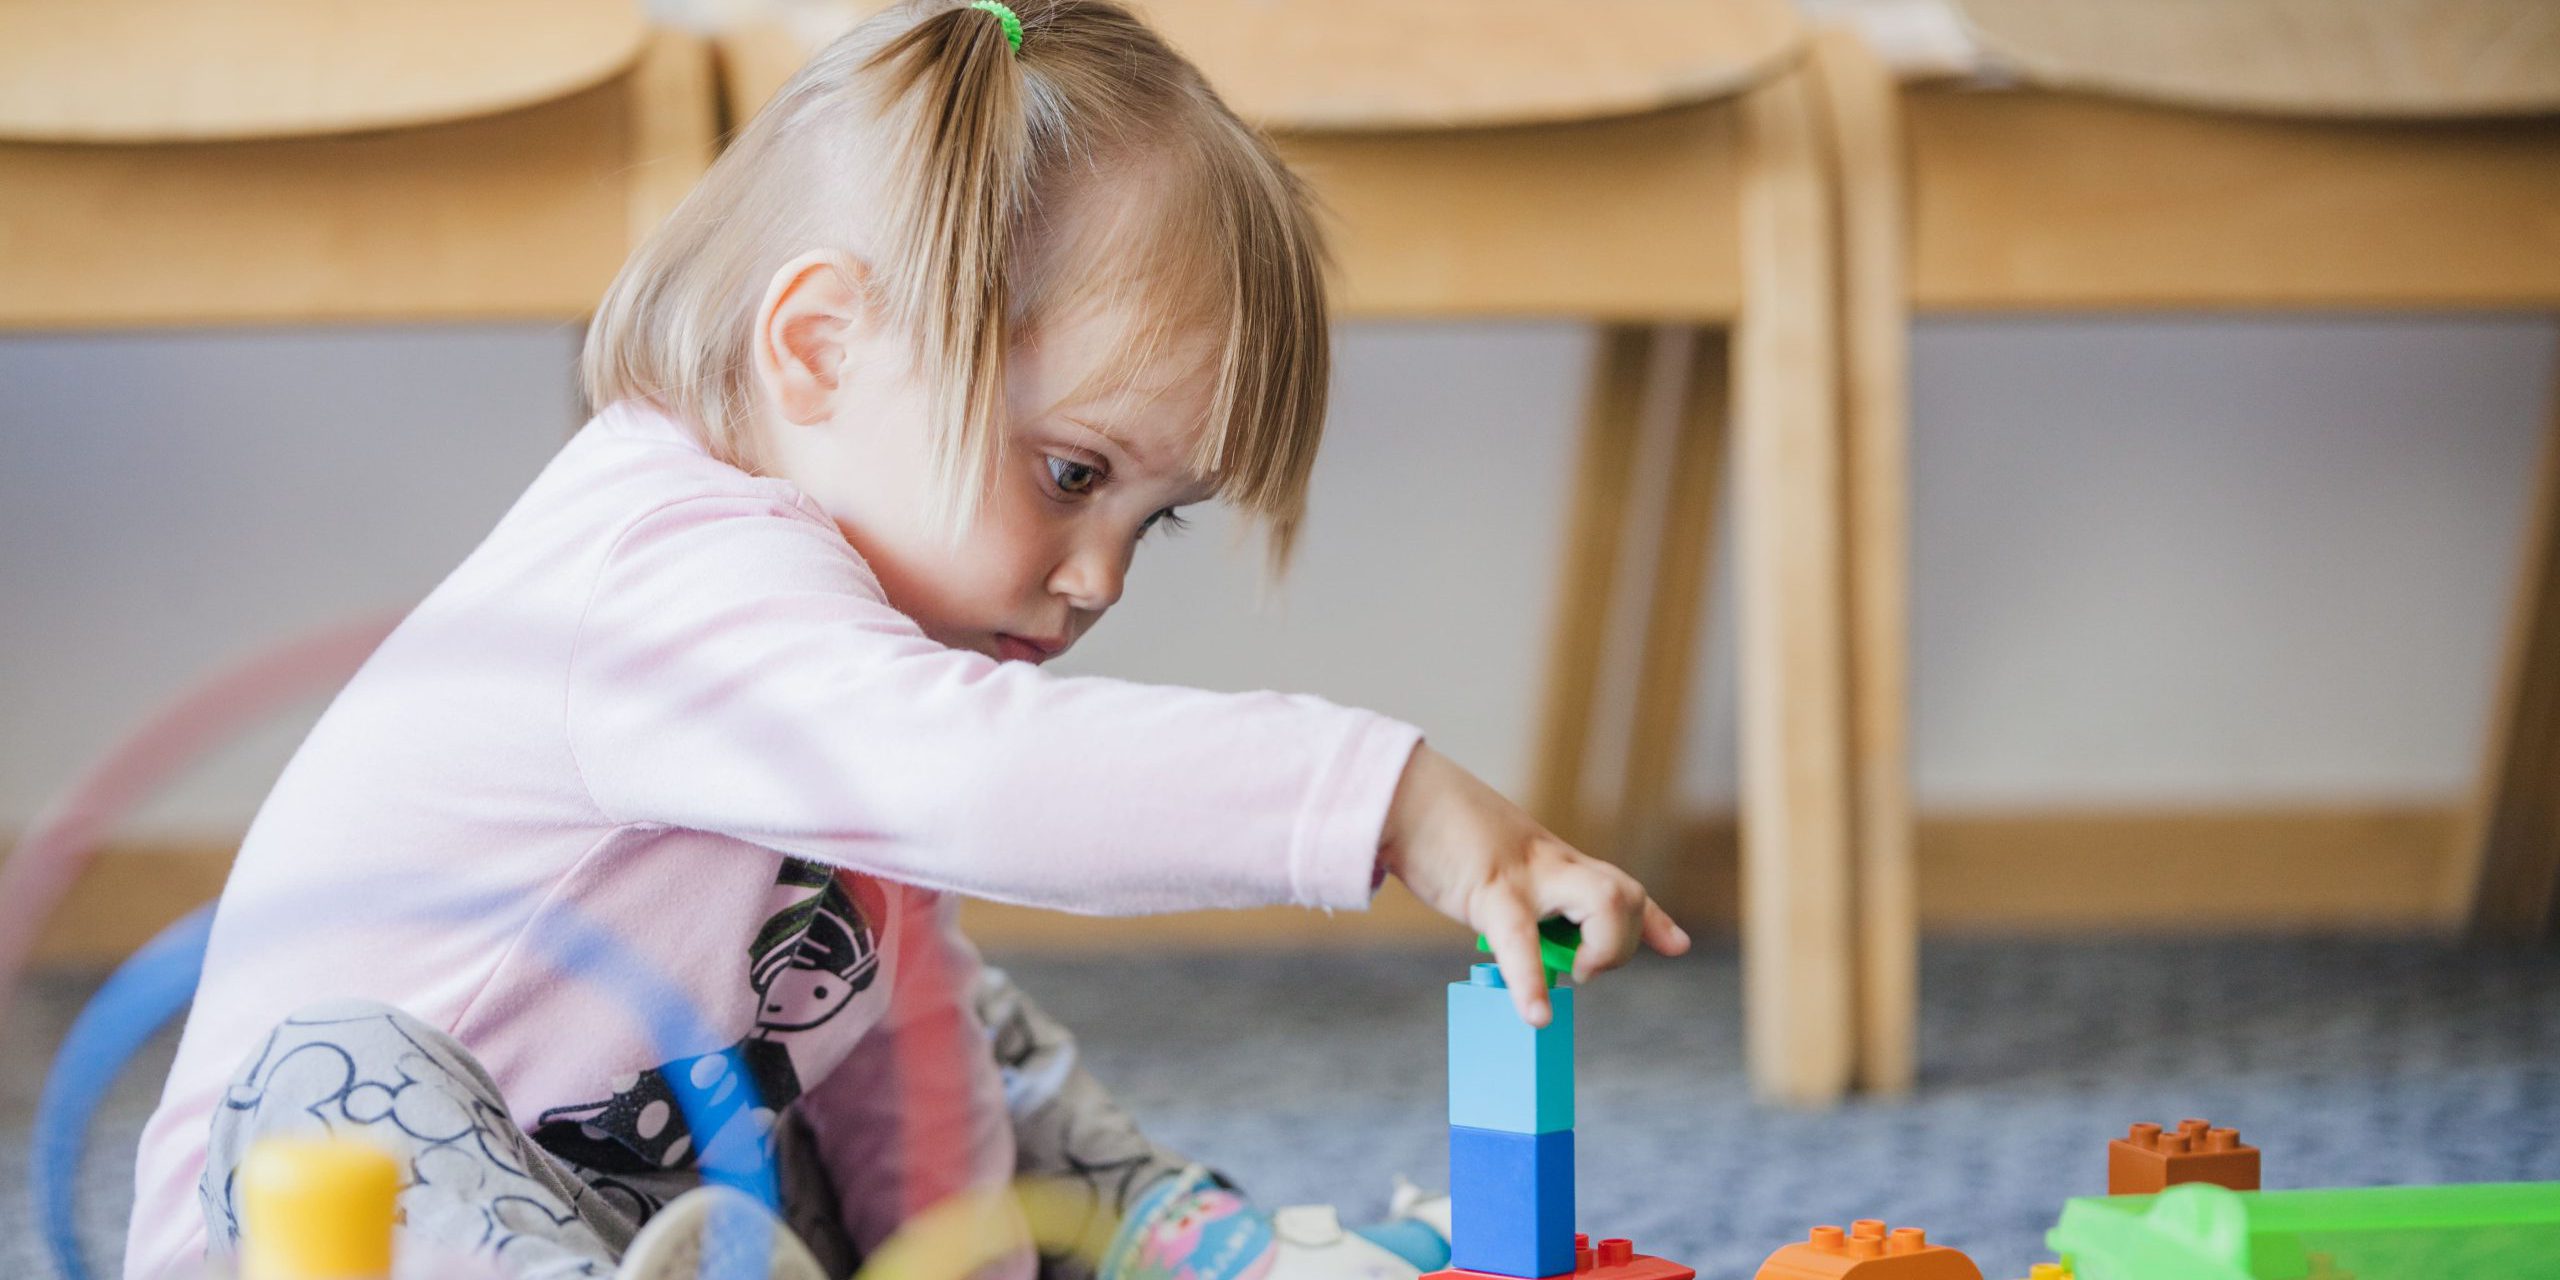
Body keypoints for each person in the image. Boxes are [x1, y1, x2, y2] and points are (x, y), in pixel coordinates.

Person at [124, 2, 1690, 1277]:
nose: (1101, 578)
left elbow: (904, 1061)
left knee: (913, 1008)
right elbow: (985, 781)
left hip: (652, 1208)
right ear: (820, 348)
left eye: (1152, 520)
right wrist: (1386, 797)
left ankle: (1172, 1239)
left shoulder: (875, 671)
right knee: (333, 1074)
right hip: (322, 1231)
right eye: (1071, 475)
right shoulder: (661, 571)